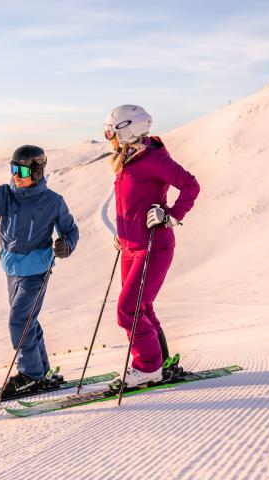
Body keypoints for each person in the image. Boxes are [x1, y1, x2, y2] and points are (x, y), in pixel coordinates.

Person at [0, 145, 79, 396]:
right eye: (13, 168)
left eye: (21, 170)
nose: (16, 175)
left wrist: (66, 245)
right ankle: (40, 371)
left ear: (37, 171)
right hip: (11, 269)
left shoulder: (53, 202)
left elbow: (71, 231)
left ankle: (30, 374)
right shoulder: (5, 194)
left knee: (19, 320)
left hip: (37, 271)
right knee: (28, 319)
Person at [104, 104, 200, 387]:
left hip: (152, 245)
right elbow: (131, 203)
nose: (109, 134)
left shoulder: (153, 158)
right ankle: (162, 361)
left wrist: (171, 215)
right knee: (141, 307)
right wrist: (122, 232)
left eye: (113, 128)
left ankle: (148, 368)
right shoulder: (128, 158)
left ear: (129, 128)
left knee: (128, 310)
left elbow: (190, 185)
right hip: (130, 247)